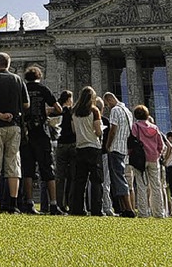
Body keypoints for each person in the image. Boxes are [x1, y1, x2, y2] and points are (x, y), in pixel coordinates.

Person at [20, 65, 64, 215]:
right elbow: (59, 109)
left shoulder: (23, 89)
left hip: (26, 133)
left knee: (28, 170)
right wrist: (47, 110)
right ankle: (53, 204)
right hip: (41, 133)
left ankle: (29, 203)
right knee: (48, 169)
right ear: (39, 76)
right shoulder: (43, 89)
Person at [0, 52, 29, 214]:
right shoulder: (18, 79)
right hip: (15, 126)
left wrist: (0, 115)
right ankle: (13, 204)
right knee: (13, 164)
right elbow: (26, 104)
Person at [70, 86, 103, 216]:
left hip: (80, 147)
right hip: (93, 147)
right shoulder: (94, 111)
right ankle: (96, 209)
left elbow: (73, 130)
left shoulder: (75, 112)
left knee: (80, 181)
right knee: (96, 180)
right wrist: (96, 132)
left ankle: (78, 209)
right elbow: (98, 131)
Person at [103, 92, 136, 218]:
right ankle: (124, 208)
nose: (107, 107)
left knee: (118, 178)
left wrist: (108, 145)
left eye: (107, 104)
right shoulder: (127, 111)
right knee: (119, 177)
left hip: (115, 147)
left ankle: (128, 208)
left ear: (110, 100)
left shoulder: (115, 110)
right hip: (123, 148)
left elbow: (113, 130)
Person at [131, 105, 165, 218]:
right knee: (156, 186)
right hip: (154, 159)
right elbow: (161, 145)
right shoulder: (155, 128)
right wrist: (157, 154)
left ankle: (143, 213)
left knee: (141, 186)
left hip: (140, 159)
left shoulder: (135, 126)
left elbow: (132, 141)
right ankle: (159, 213)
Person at [55, 90, 76, 213]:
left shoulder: (56, 111)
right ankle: (71, 202)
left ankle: (59, 203)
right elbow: (74, 129)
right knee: (73, 175)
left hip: (60, 144)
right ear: (68, 99)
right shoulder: (70, 111)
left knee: (60, 176)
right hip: (72, 144)